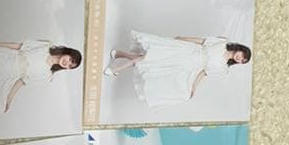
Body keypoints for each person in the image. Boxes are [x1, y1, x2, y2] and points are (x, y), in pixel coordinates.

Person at [104, 35, 251, 106]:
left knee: (150, 61)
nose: (240, 58)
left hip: (186, 66)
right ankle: (117, 68)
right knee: (150, 57)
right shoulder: (223, 42)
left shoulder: (223, 68)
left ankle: (120, 55)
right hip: (186, 51)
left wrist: (193, 89)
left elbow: (203, 73)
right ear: (240, 49)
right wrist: (182, 39)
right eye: (242, 56)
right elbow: (202, 41)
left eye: (242, 61)